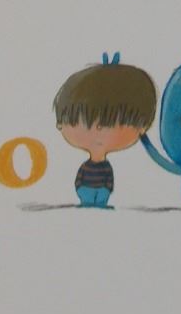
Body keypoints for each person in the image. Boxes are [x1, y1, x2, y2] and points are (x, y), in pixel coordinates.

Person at [52, 54, 156, 208]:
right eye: (85, 122)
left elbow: (108, 180)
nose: (98, 131)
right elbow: (81, 179)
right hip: (85, 190)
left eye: (109, 124)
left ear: (141, 126)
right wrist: (80, 187)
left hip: (102, 192)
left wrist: (107, 188)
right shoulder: (88, 167)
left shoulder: (104, 168)